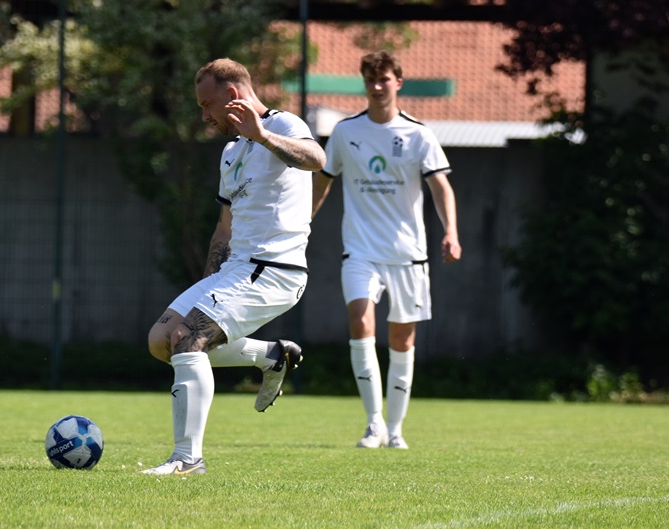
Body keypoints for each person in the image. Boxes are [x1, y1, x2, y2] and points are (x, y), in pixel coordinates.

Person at [143, 58, 326, 475]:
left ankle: (187, 459)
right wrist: (210, 285)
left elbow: (316, 159)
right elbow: (224, 228)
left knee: (187, 338)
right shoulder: (230, 152)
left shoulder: (283, 124)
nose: (204, 116)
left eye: (207, 105)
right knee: (161, 341)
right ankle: (271, 355)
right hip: (237, 270)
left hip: (274, 269)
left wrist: (262, 135)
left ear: (232, 95)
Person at [312, 51, 460, 450]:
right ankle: (373, 422)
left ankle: (395, 429)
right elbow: (322, 182)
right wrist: (300, 224)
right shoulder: (345, 132)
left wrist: (451, 232)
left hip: (408, 254)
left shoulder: (419, 134)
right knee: (360, 322)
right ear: (364, 84)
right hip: (360, 251)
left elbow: (441, 187)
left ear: (398, 82)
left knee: (401, 340)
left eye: (384, 79)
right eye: (370, 80)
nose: (377, 87)